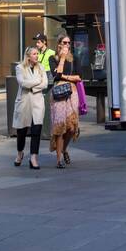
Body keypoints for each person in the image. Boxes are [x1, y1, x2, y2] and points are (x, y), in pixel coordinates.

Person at [48, 35, 82, 168]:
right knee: (60, 127)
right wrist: (62, 58)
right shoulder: (53, 59)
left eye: (68, 42)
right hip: (58, 94)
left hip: (72, 93)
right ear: (59, 44)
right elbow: (56, 75)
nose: (67, 45)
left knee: (72, 127)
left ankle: (64, 149)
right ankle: (58, 160)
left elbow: (79, 77)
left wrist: (64, 77)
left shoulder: (75, 59)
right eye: (64, 42)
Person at [13, 47, 46, 169]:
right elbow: (22, 83)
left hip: (38, 102)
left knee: (36, 130)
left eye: (37, 53)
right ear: (28, 56)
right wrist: (37, 81)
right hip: (24, 102)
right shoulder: (20, 68)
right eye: (34, 54)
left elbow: (45, 83)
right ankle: (20, 153)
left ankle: (33, 157)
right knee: (21, 131)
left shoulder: (41, 67)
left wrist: (33, 87)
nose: (37, 56)